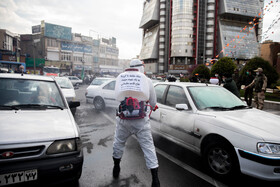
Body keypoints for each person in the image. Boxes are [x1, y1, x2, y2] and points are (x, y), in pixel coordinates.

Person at [113, 59, 160, 187]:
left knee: (118, 142)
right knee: (148, 148)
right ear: (141, 67)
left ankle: (116, 167)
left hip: (123, 120)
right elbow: (153, 102)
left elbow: (116, 97)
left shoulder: (121, 78)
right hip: (141, 122)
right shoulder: (147, 81)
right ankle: (155, 179)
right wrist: (151, 105)